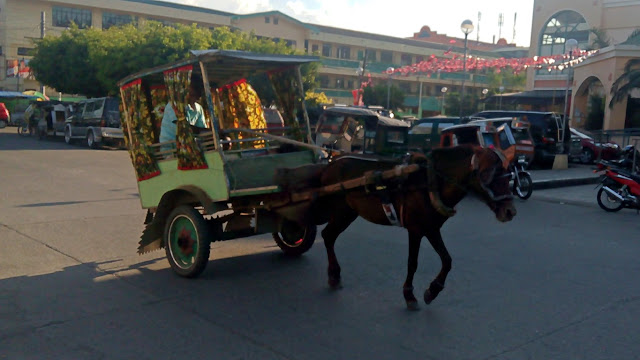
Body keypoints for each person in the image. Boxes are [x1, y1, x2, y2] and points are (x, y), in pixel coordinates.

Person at [159, 74, 208, 145]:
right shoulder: (173, 105)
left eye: (196, 95)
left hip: (190, 145)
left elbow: (201, 130)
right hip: (171, 148)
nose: (194, 98)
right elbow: (183, 127)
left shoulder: (198, 108)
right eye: (192, 95)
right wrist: (211, 132)